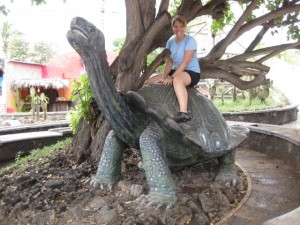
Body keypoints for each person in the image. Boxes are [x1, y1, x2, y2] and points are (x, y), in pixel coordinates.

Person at [145, 15, 201, 122]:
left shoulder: (190, 41)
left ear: (185, 27)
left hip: (191, 72)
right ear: (172, 28)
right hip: (176, 71)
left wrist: (171, 77)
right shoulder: (170, 42)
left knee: (177, 80)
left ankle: (183, 113)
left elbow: (185, 62)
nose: (178, 29)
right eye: (176, 26)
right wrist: (165, 76)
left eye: (181, 26)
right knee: (149, 81)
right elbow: (169, 62)